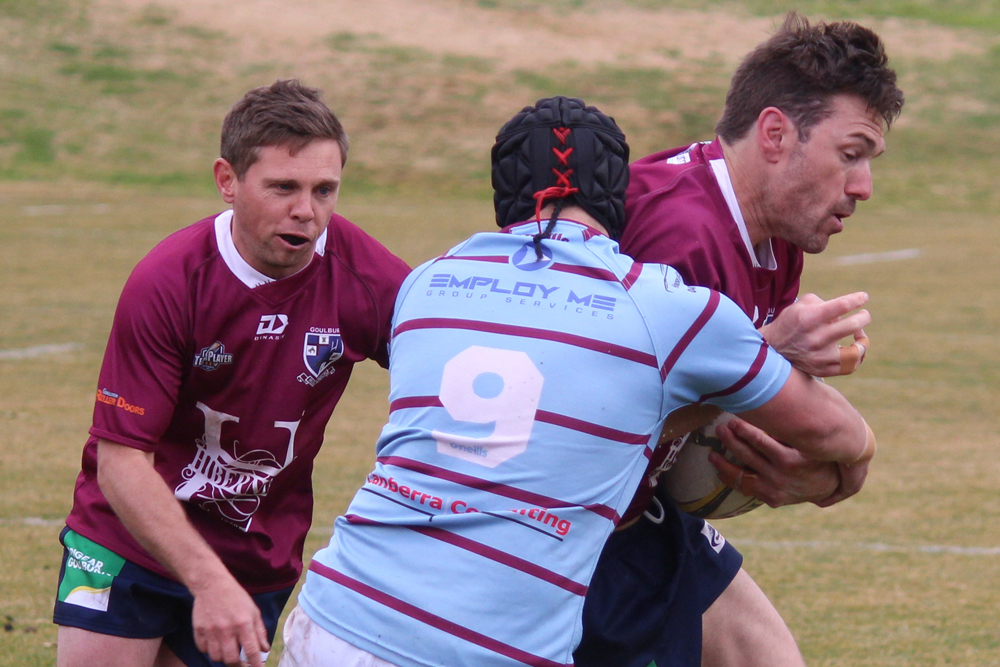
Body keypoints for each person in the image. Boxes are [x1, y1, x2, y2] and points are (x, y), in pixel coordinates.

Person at [278, 95, 875, 667]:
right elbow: (839, 435)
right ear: (618, 198)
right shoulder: (664, 307)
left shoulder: (426, 284)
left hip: (335, 615)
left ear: (504, 194)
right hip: (487, 650)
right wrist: (846, 461)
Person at [575, 13, 905, 667]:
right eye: (851, 154)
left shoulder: (773, 236)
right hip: (569, 532)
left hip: (636, 516)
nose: (863, 186)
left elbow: (737, 411)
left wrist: (805, 469)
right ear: (776, 134)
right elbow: (601, 417)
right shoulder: (681, 235)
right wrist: (771, 361)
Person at [52, 79, 410, 667]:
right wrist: (207, 582)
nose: (307, 211)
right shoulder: (170, 279)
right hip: (128, 538)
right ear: (228, 181)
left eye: (324, 190)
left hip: (255, 554)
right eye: (283, 187)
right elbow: (120, 462)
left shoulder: (362, 275)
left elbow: (448, 362)